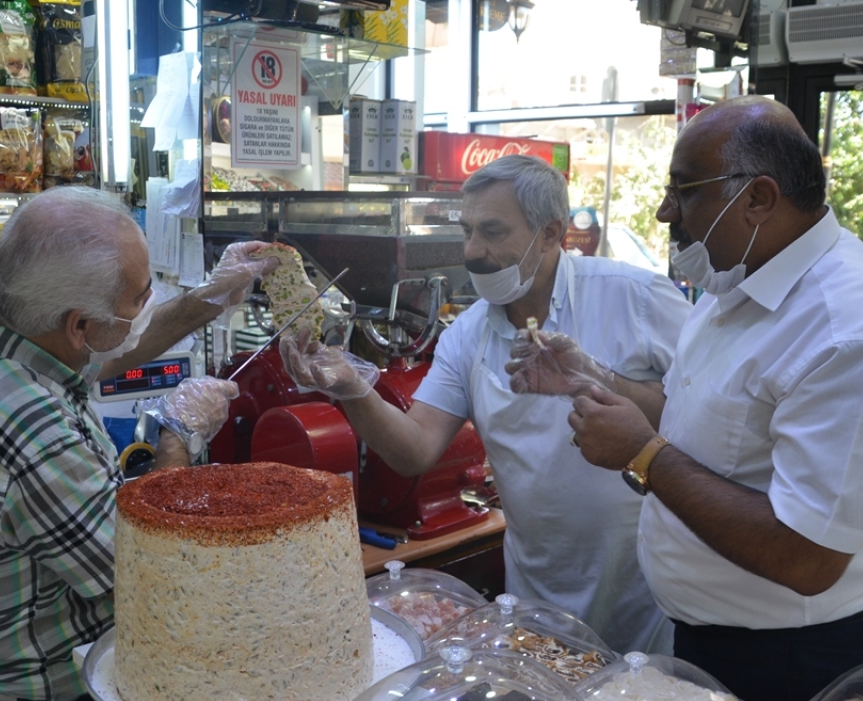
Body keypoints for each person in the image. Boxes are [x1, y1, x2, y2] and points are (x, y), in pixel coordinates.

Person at [563, 96, 863, 701]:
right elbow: (693, 418)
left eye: (683, 190)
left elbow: (807, 556)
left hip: (806, 657)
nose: (664, 212)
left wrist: (641, 455)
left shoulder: (855, 330)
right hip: (713, 638)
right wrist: (594, 377)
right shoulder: (736, 282)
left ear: (759, 198)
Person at [279, 154, 692, 655]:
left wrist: (597, 379)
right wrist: (352, 389)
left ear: (550, 233)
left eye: (493, 232)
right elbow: (414, 450)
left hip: (646, 591)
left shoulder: (637, 298)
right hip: (536, 594)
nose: (473, 251)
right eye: (467, 231)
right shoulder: (468, 334)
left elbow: (700, 417)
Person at [0, 187, 277, 701]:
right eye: (140, 298)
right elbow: (144, 562)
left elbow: (102, 356)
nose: (146, 307)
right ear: (79, 325)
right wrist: (177, 433)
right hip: (43, 700)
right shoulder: (30, 429)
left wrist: (209, 298)